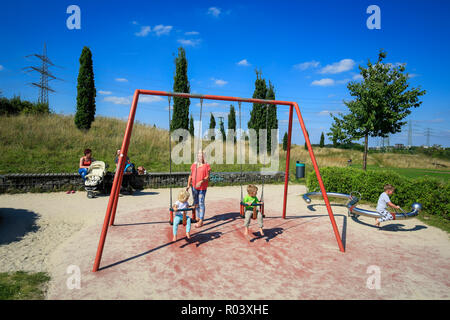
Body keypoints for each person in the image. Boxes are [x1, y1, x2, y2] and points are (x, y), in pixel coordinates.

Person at [187, 150, 211, 228]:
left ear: (204, 156)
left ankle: (201, 220)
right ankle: (197, 217)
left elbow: (207, 177)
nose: (200, 156)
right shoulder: (194, 165)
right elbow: (190, 175)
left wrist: (201, 181)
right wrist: (188, 185)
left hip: (202, 187)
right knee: (196, 202)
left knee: (201, 202)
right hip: (194, 187)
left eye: (202, 155)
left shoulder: (207, 165)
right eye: (199, 155)